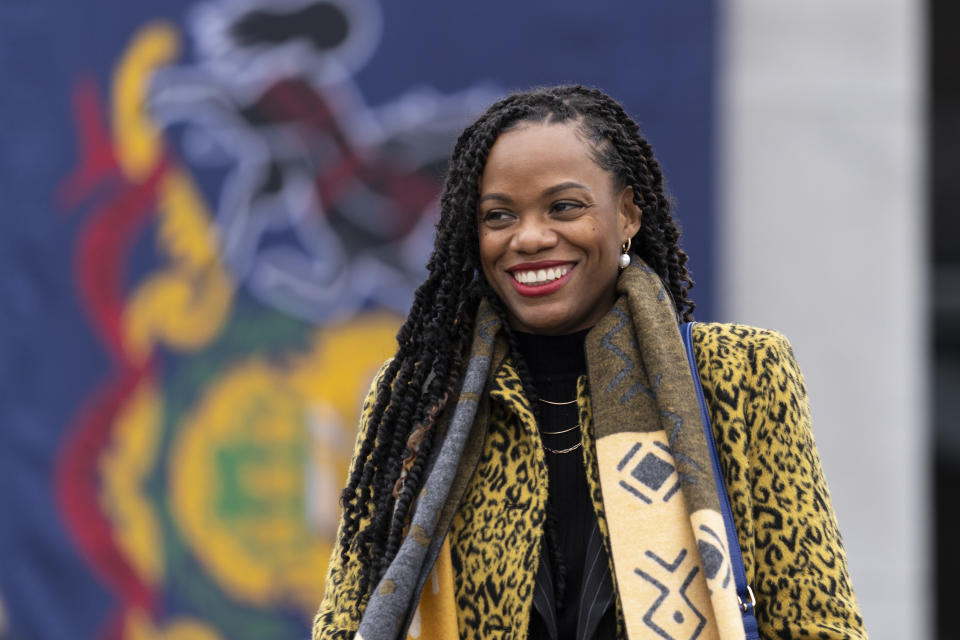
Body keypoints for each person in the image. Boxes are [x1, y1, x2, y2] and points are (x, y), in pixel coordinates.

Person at [313, 86, 866, 640]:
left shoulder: (742, 373)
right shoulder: (417, 398)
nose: (528, 238)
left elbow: (818, 622)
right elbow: (347, 620)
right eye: (499, 215)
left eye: (564, 207)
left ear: (627, 213)